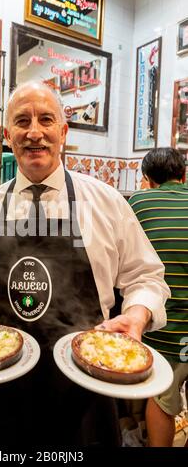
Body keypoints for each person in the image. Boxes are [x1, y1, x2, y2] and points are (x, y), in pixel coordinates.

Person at [0, 81, 169, 447]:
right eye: (22, 121)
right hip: (0, 388)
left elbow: (147, 277)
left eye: (46, 120)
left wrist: (138, 314)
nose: (34, 132)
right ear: (7, 134)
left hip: (89, 390)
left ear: (63, 131)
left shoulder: (106, 203)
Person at [128, 147, 188, 447]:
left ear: (147, 179)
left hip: (166, 329)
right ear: (184, 175)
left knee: (163, 399)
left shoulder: (139, 200)